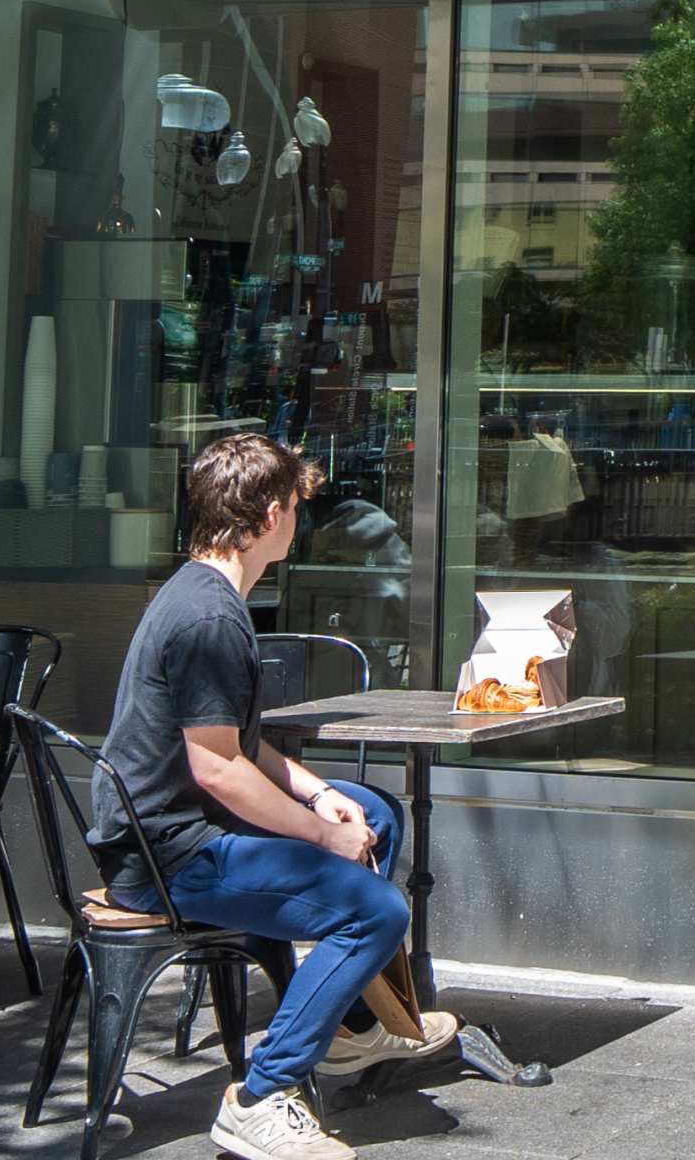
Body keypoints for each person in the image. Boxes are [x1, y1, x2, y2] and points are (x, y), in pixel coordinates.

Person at [95, 432, 451, 1160]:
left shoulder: (204, 593)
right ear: (266, 517)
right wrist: (323, 838)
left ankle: (348, 1029)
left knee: (374, 810)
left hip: (186, 824)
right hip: (168, 856)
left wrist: (321, 796)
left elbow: (236, 745)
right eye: (293, 507)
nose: (298, 521)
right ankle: (262, 1096)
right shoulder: (209, 619)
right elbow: (217, 770)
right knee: (376, 909)